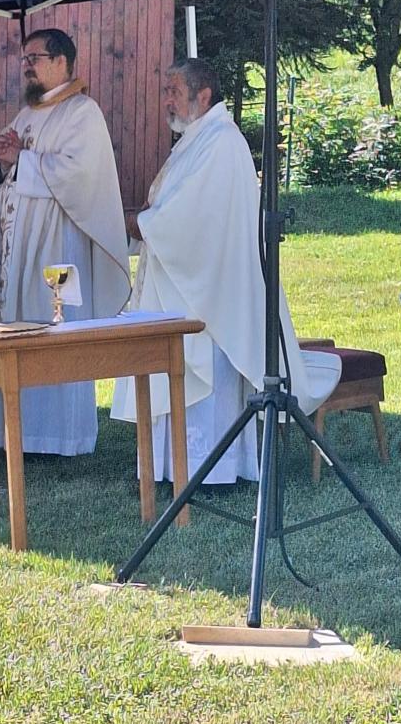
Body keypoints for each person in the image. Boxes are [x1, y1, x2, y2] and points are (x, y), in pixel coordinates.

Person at [110, 58, 340, 484]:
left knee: (203, 377)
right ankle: (170, 468)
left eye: (174, 91)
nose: (167, 100)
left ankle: (210, 472)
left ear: (203, 95)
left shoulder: (221, 141)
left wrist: (143, 223)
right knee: (176, 374)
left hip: (207, 289)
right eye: (166, 91)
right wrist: (148, 220)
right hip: (183, 281)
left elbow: (195, 216)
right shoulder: (197, 138)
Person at [0, 28, 130, 455]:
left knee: (51, 323)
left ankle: (58, 437)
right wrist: (4, 160)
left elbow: (80, 175)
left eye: (35, 58)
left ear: (62, 61)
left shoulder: (82, 113)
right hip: (14, 247)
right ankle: (7, 433)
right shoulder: (27, 114)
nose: (27, 66)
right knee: (14, 325)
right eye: (25, 59)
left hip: (54, 242)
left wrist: (22, 160)